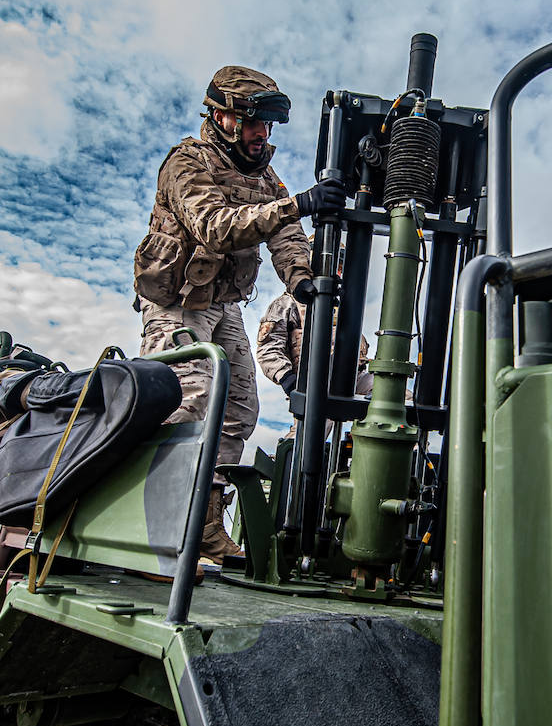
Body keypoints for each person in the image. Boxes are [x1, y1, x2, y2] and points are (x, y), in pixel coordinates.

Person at [133, 65, 346, 563]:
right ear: (222, 116)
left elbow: (288, 239)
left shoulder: (265, 177)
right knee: (186, 399)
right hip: (176, 302)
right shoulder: (187, 162)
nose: (261, 134)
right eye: (253, 122)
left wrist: (302, 282)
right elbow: (215, 227)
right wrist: (299, 205)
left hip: (222, 304)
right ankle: (153, 537)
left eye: (267, 126)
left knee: (239, 411)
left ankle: (204, 527)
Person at [255, 292, 373, 439]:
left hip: (356, 376)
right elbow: (268, 349)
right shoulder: (287, 303)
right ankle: (291, 458)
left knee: (397, 401)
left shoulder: (343, 299)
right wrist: (288, 379)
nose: (339, 271)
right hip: (319, 384)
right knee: (310, 437)